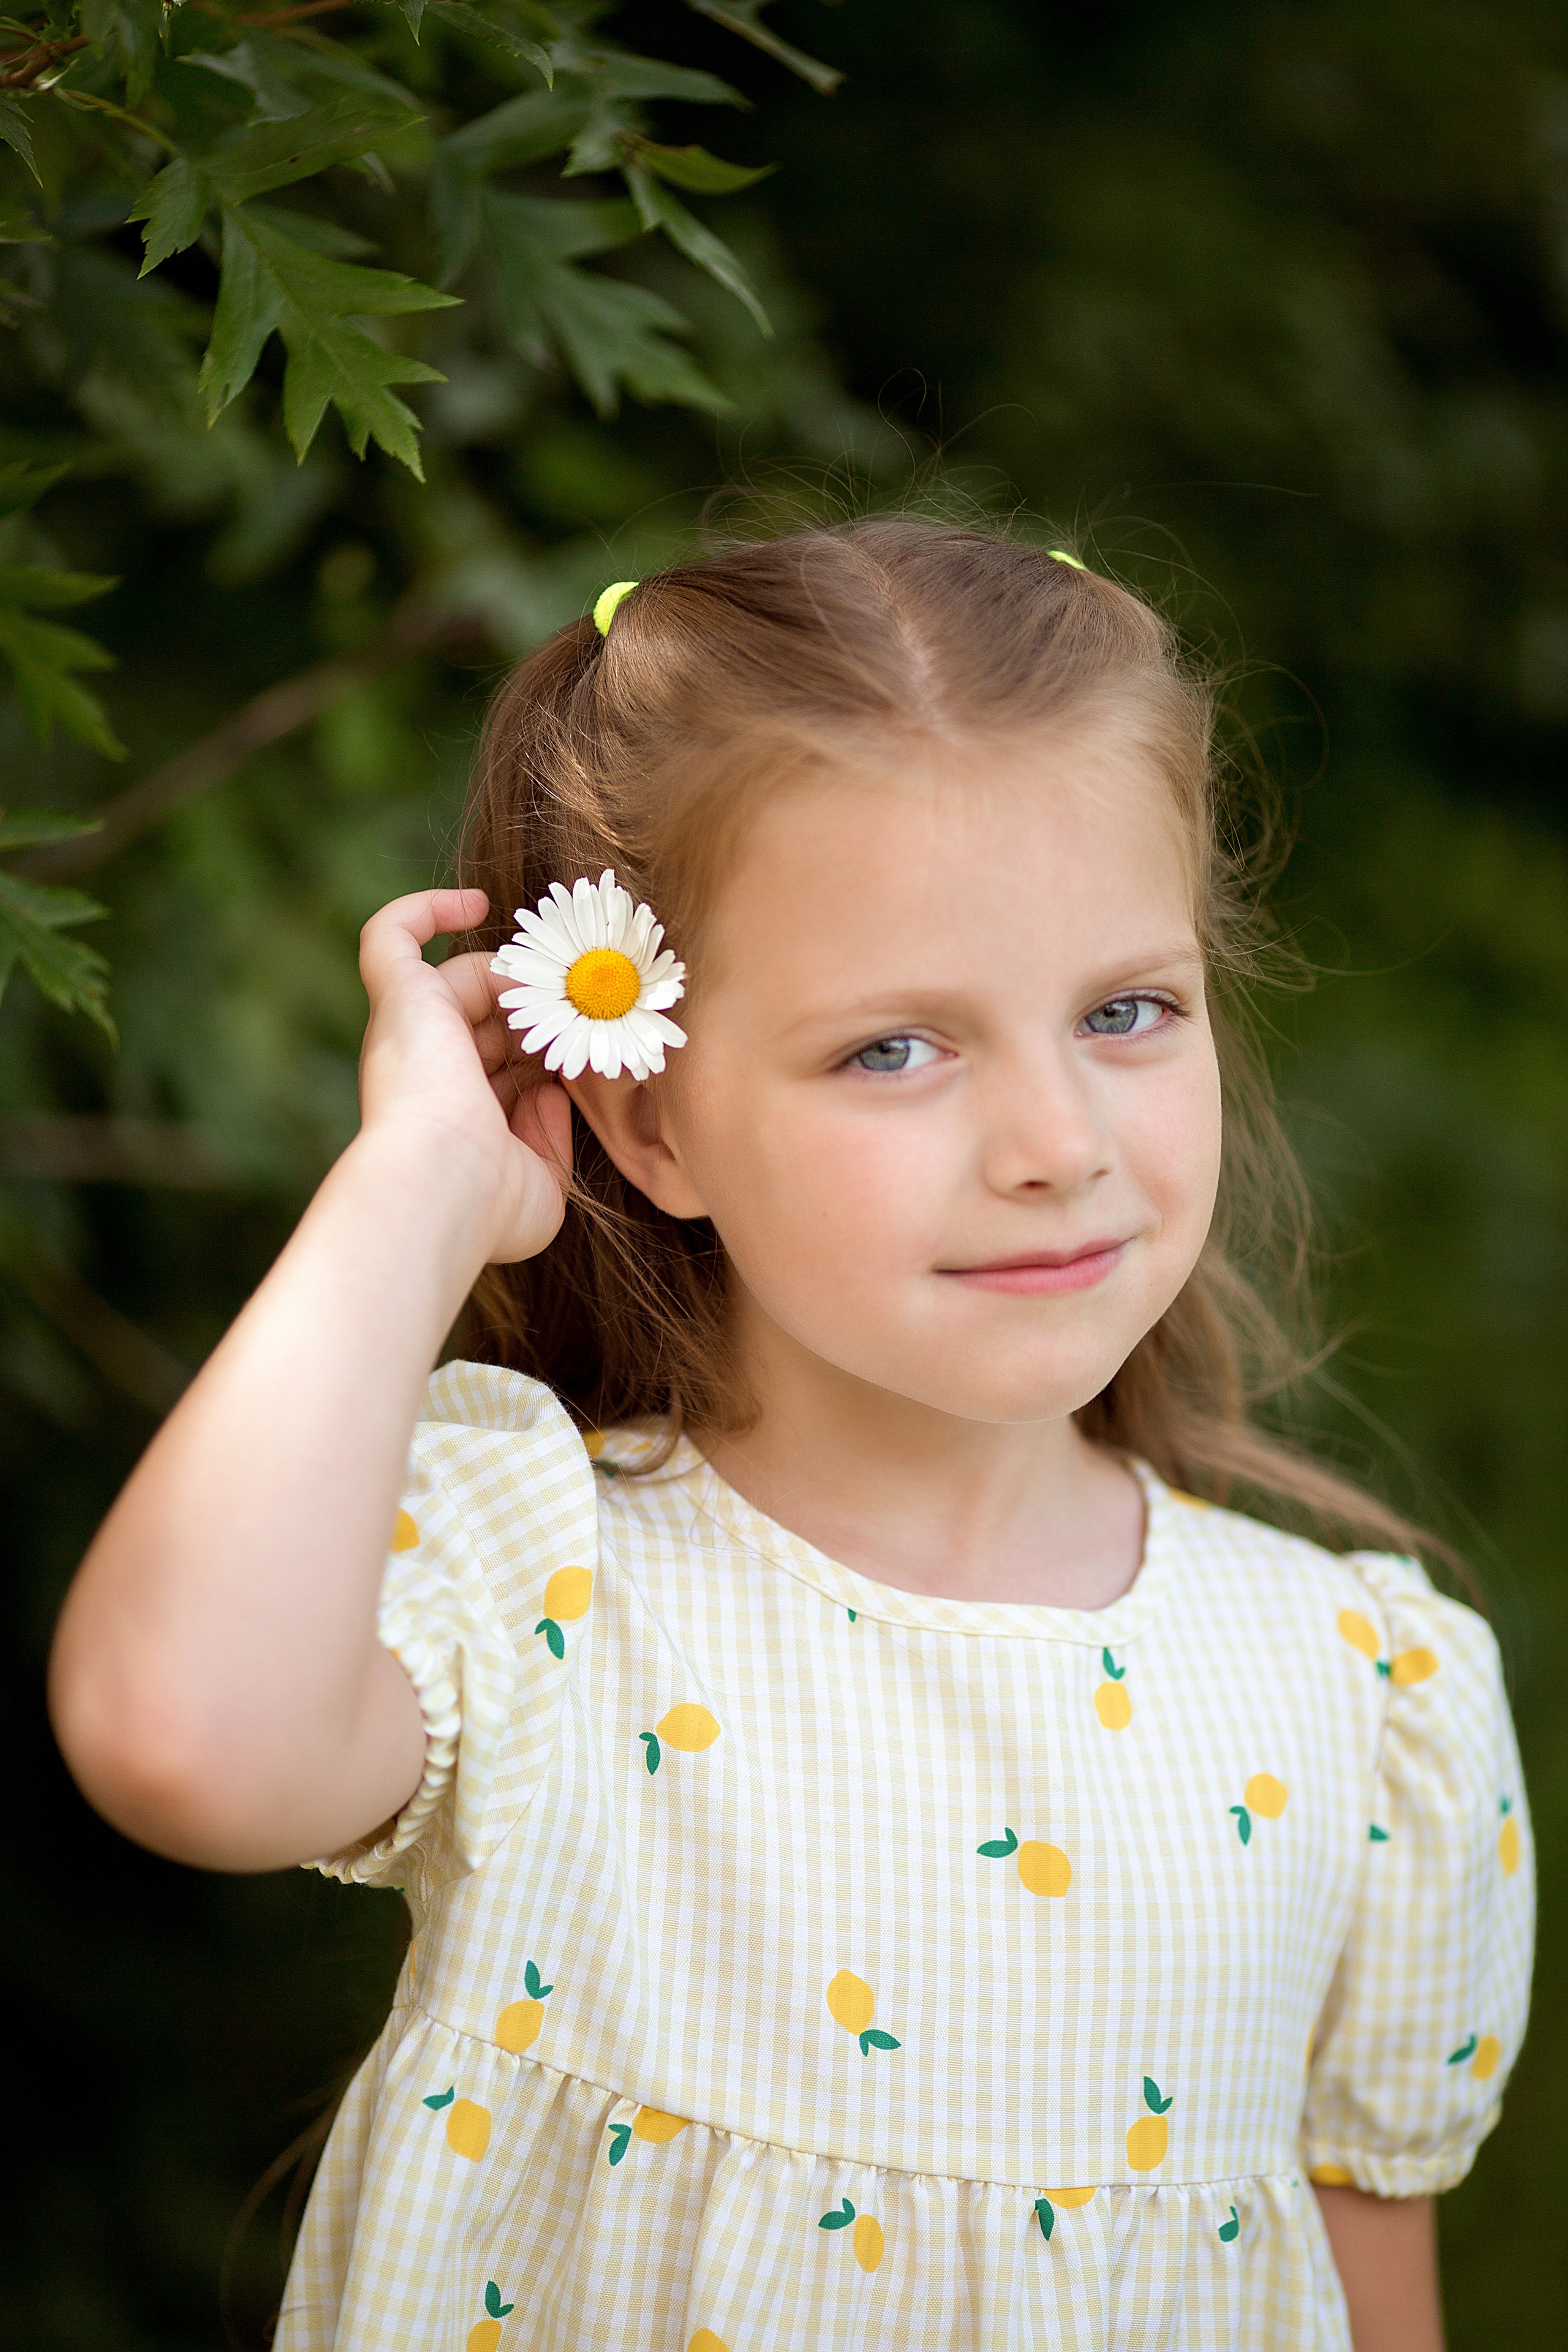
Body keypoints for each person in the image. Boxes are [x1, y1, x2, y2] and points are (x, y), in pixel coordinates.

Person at [48, 521, 1532, 2351]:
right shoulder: (543, 1588)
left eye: (1128, 1012)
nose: (1057, 1139)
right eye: (896, 1050)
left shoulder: (1367, 1704)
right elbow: (177, 1736)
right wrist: (415, 1192)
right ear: (650, 1127)